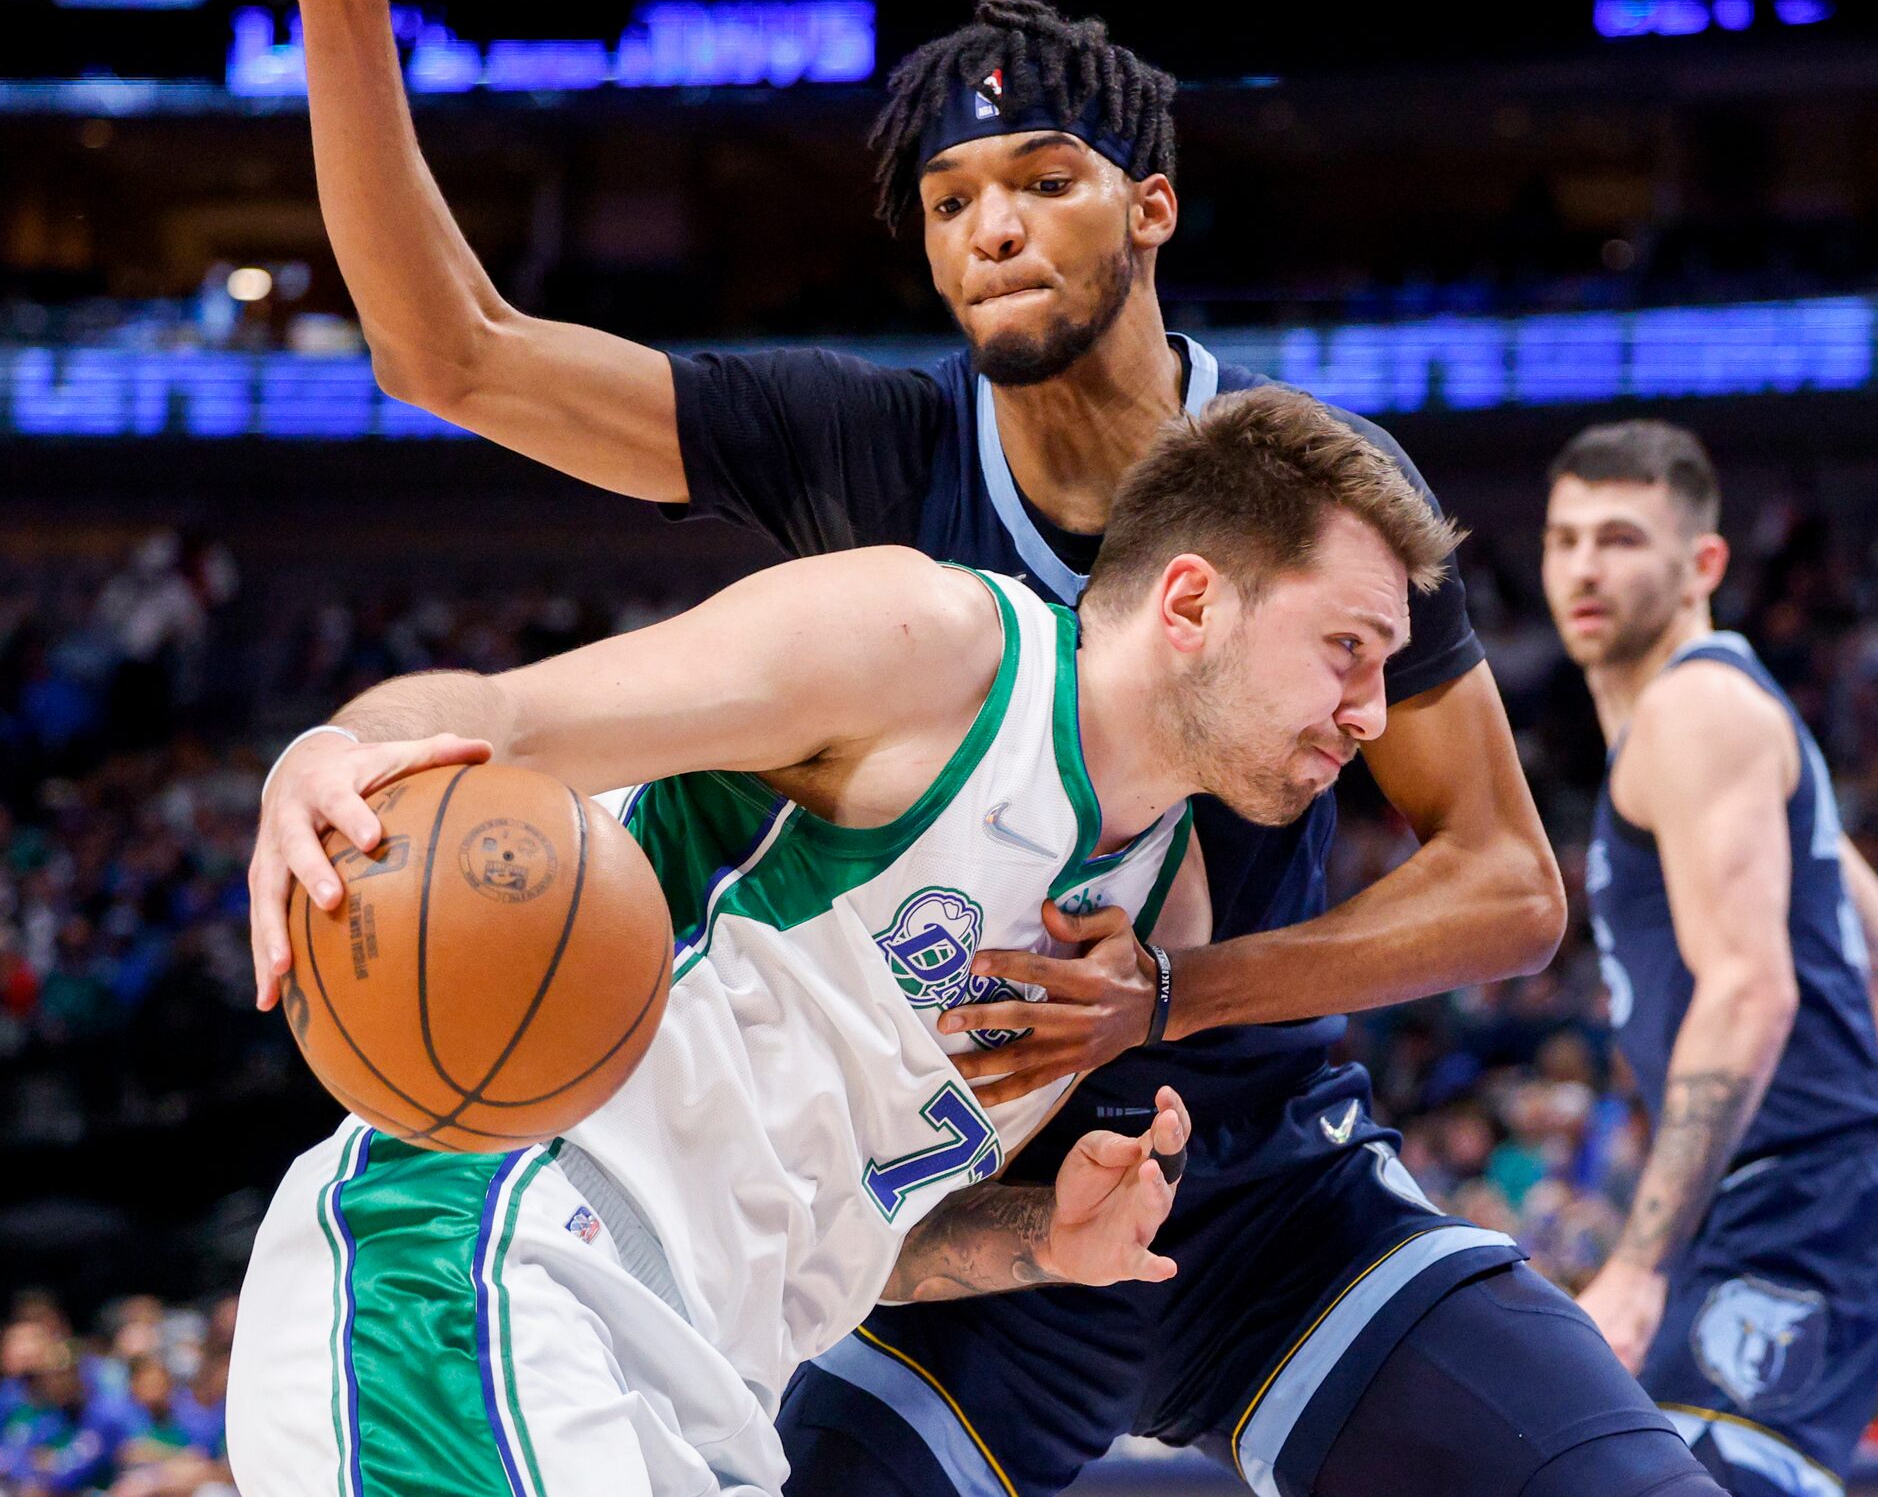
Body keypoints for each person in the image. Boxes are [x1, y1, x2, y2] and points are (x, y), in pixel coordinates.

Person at [214, 0, 1727, 1496]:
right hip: (906, 1205)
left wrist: (1174, 998)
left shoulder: (1313, 508)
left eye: (1044, 177)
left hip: (1196, 1164)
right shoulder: (876, 513)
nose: (991, 223)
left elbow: (1501, 878)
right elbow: (453, 356)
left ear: (1151, 206)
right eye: (948, 200)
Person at [235, 385, 1442, 1496]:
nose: (1370, 714)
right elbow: (502, 719)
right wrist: (330, 757)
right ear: (1190, 601)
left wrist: (1047, 1241)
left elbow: (859, 1239)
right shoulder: (933, 651)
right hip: (491, 1266)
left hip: (721, 1395)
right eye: (1348, 648)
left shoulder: (1158, 917)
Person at [1543, 421, 1878, 1497]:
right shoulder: (1729, 715)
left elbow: (1749, 990)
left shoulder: (1694, 712)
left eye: (1622, 537)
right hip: (1799, 1194)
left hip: (1794, 1194)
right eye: (1564, 538)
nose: (1585, 567)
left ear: (1706, 565)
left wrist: (1638, 1263)